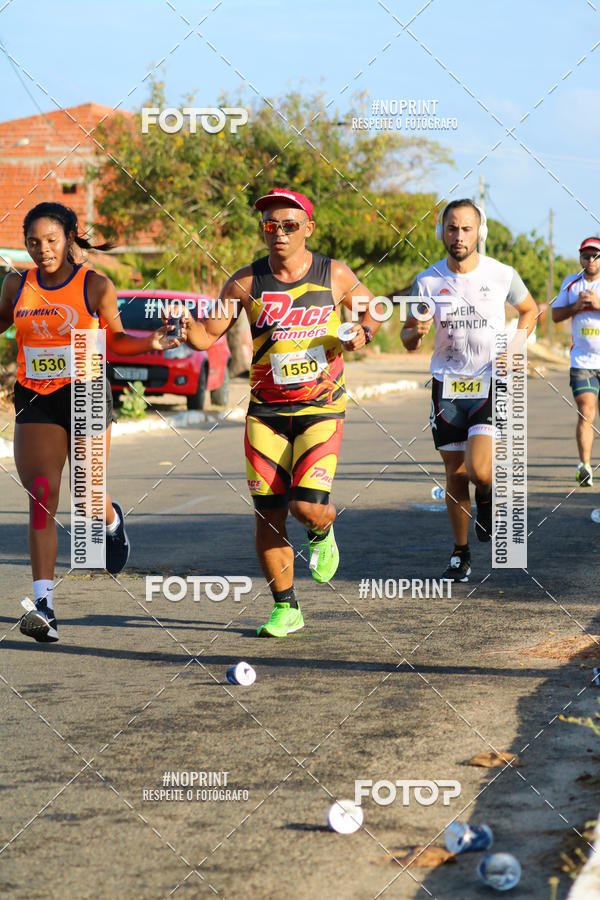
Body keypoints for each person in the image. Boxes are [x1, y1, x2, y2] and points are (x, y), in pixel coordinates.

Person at [184, 188, 381, 636]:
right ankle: (286, 607)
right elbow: (207, 335)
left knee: (306, 507)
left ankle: (321, 530)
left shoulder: (334, 274)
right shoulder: (244, 282)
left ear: (308, 228)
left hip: (321, 407)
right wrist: (184, 329)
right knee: (268, 512)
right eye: (270, 225)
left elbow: (374, 311)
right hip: (266, 413)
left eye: (289, 225)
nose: (279, 232)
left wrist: (363, 333)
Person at [0, 202, 181, 643]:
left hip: (85, 392)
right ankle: (44, 607)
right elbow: (1, 321)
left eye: (51, 240)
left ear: (68, 238)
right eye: (33, 242)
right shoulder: (16, 285)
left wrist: (152, 341)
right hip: (36, 396)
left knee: (86, 498)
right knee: (40, 496)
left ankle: (111, 522)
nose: (43, 249)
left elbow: (116, 339)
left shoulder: (94, 285)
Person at [401, 199, 537, 582]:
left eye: (466, 229)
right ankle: (460, 553)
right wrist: (415, 333)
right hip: (446, 387)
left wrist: (516, 346)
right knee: (456, 474)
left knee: (480, 470)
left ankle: (487, 497)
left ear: (480, 232)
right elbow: (408, 337)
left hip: (489, 382)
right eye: (451, 228)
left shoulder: (501, 274)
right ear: (441, 232)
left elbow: (530, 311)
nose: (458, 236)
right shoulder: (427, 281)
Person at [551, 237, 600, 487]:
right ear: (580, 257)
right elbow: (555, 315)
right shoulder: (571, 283)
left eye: (595, 255)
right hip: (582, 361)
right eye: (586, 255)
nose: (590, 260)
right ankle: (585, 466)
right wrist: (576, 306)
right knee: (586, 412)